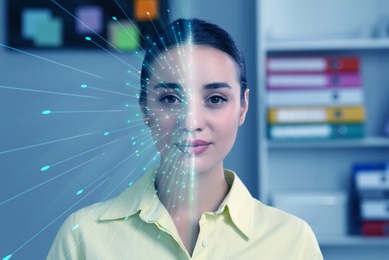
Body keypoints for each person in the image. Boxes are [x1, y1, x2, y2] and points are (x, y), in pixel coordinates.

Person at [48, 18, 323, 259]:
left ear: (243, 107)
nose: (191, 122)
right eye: (170, 99)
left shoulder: (292, 241)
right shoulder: (83, 236)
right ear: (144, 110)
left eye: (215, 99)